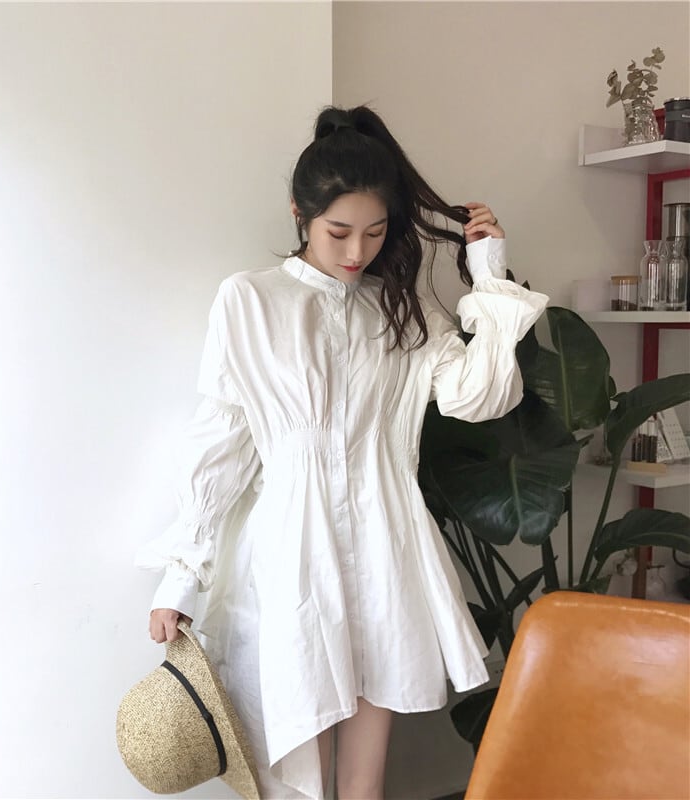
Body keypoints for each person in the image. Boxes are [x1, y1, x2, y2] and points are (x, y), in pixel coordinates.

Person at [135, 105, 549, 800]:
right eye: (338, 232)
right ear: (299, 213)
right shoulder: (251, 301)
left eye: (375, 232)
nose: (357, 251)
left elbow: (480, 397)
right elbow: (222, 442)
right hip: (292, 555)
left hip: (387, 550)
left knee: (364, 781)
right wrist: (182, 576)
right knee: (293, 771)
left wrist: (490, 272)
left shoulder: (402, 310)